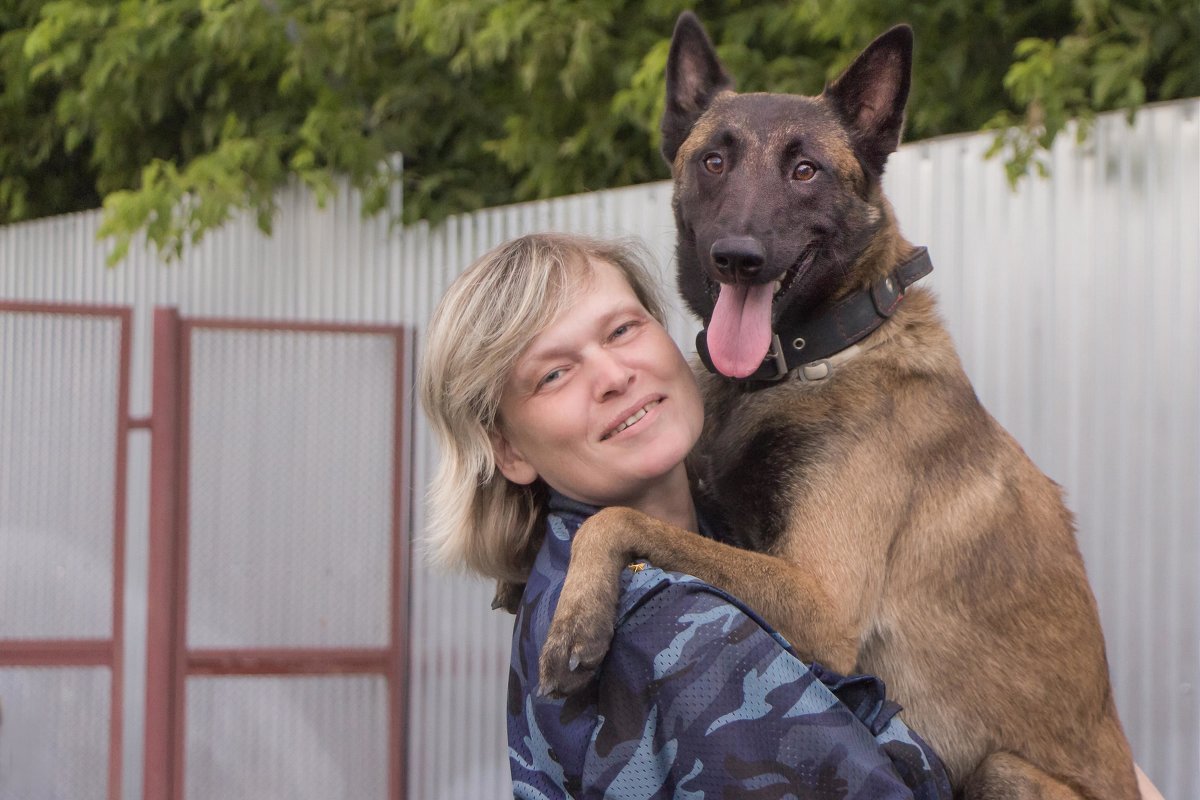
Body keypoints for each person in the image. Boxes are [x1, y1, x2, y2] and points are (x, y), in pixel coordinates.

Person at [419, 232, 954, 799]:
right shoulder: (683, 634)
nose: (614, 376)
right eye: (554, 374)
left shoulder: (575, 570)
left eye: (622, 330)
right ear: (509, 450)